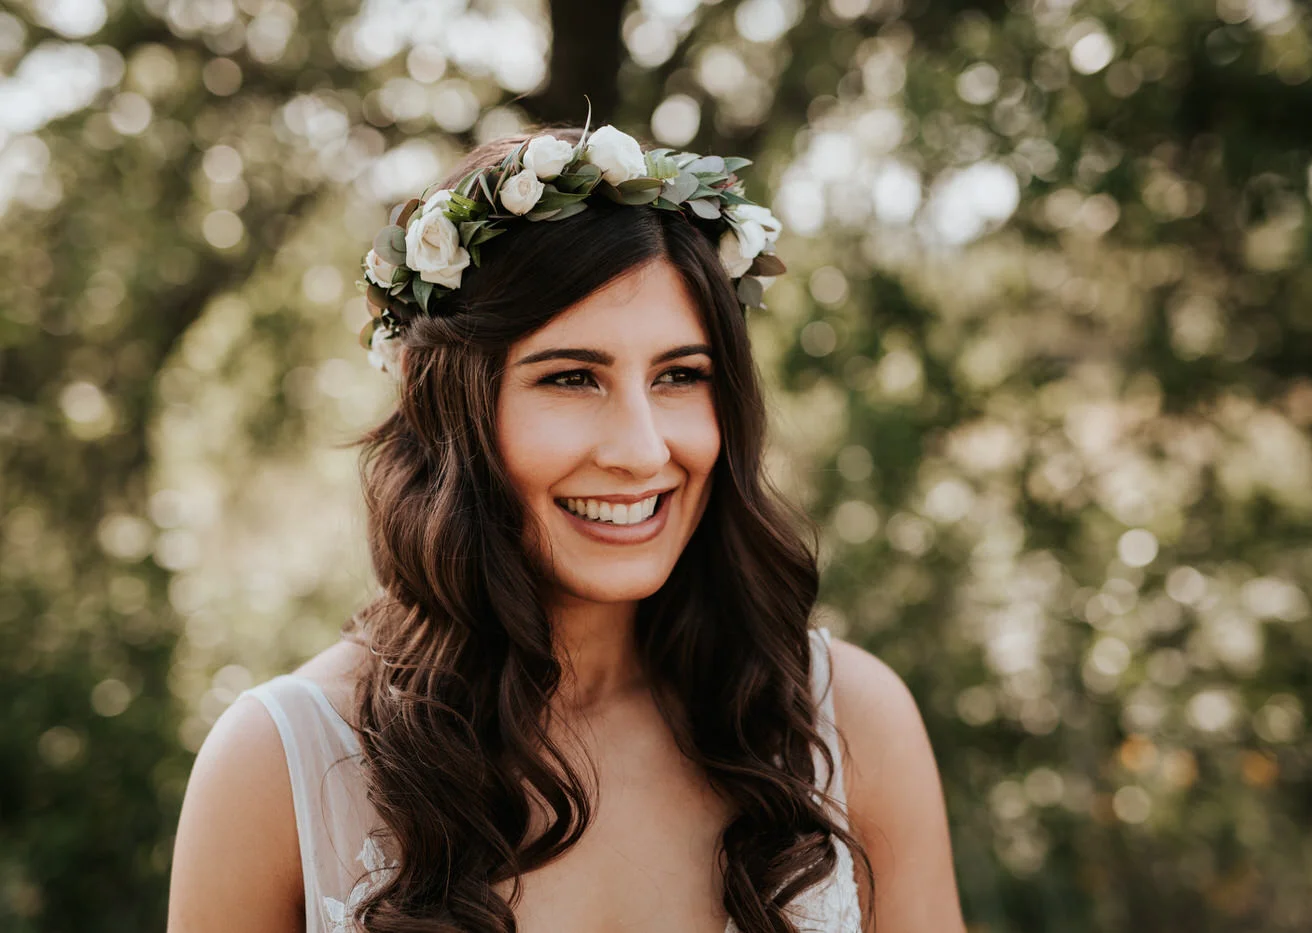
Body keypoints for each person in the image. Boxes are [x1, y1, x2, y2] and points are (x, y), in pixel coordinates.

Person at [167, 122, 964, 933]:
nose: (641, 449)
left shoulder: (849, 722)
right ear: (453, 408)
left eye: (680, 375)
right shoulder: (278, 767)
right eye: (573, 377)